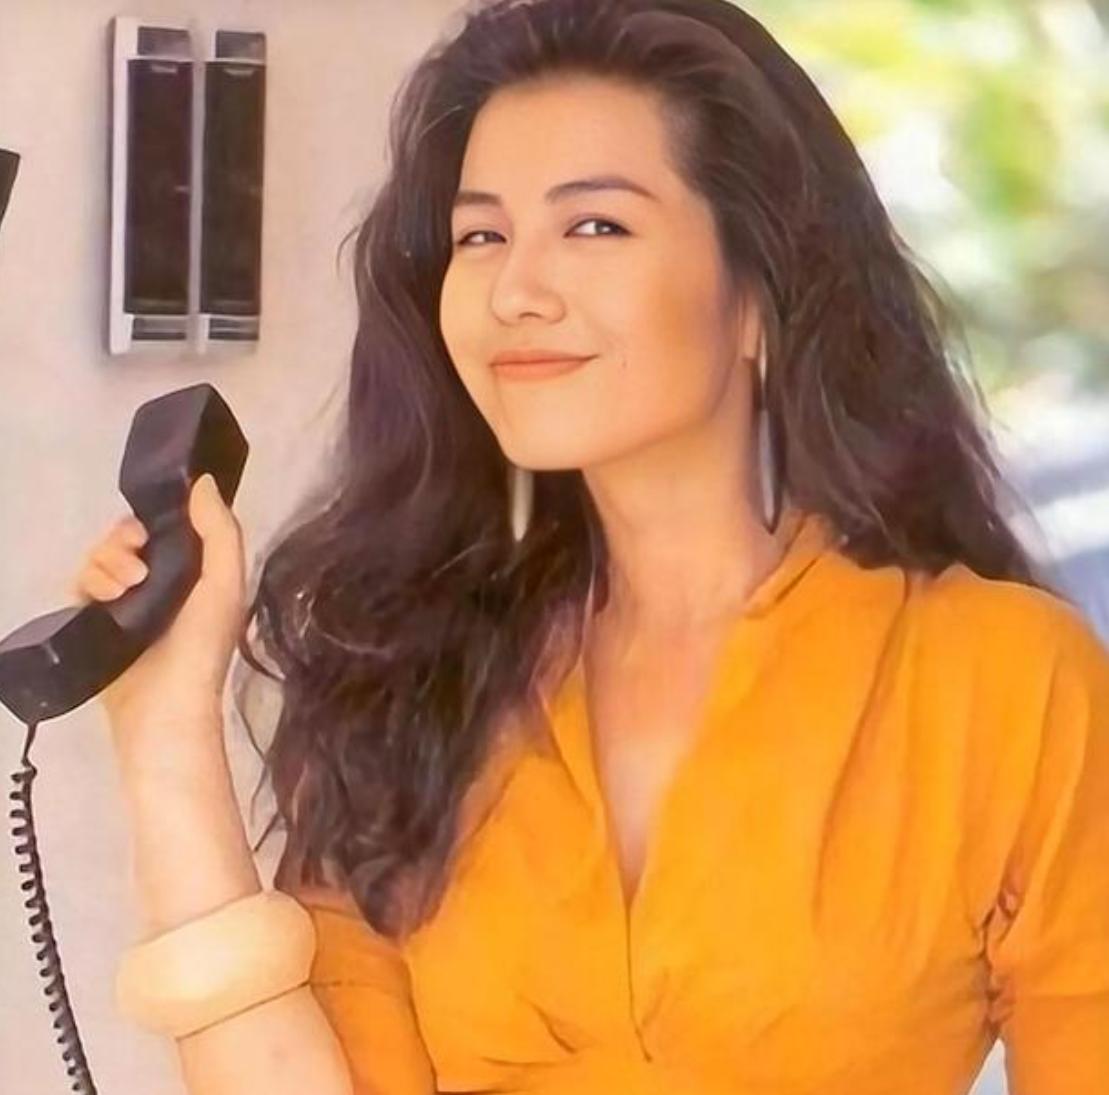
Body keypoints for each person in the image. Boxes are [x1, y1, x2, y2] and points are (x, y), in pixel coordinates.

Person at [75, 1, 1109, 1093]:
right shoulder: (409, 684)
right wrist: (163, 729)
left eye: (594, 227)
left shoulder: (998, 679)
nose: (515, 292)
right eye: (481, 237)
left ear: (756, 295)